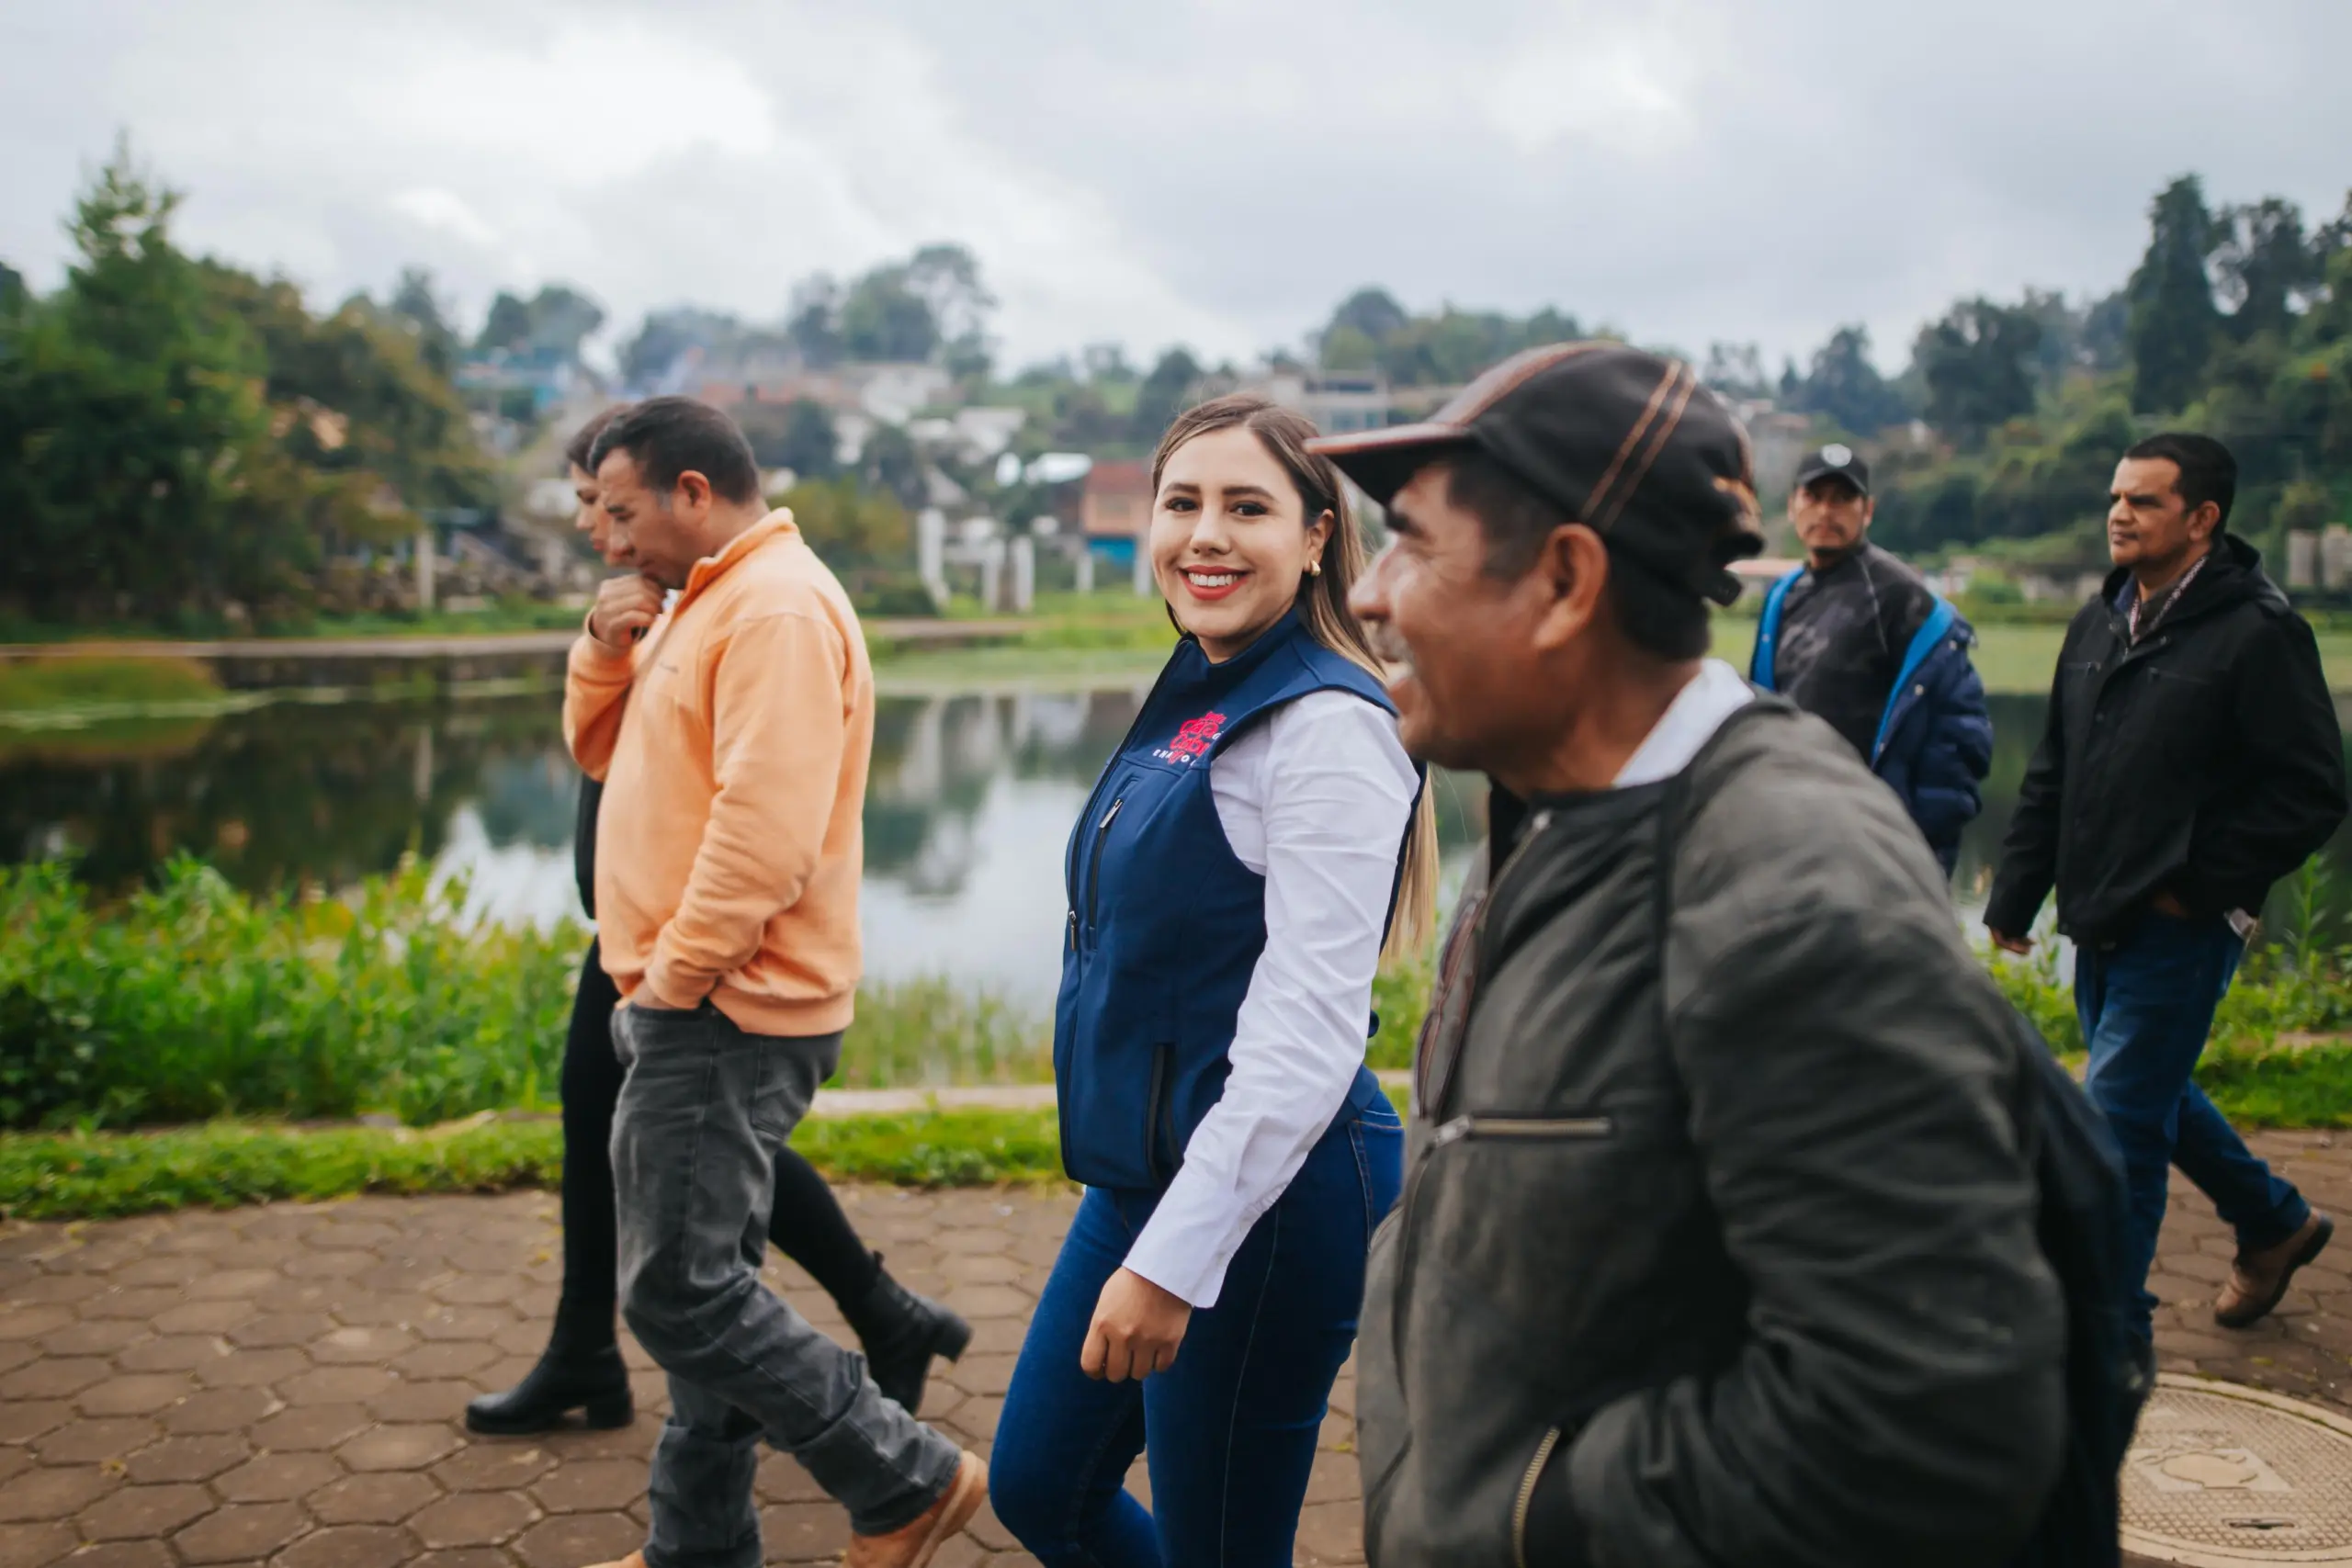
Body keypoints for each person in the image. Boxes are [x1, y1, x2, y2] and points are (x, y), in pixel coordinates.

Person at [1318, 343, 2068, 1566]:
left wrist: (1520, 1515)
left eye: (1410, 542)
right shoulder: (1553, 804)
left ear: (1565, 581)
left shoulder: (1789, 888)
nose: (1369, 592)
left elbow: (1931, 1420)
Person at [988, 395, 1436, 1568]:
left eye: (1248, 508)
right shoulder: (1202, 684)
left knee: (1221, 1550)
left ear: (1317, 536)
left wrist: (1175, 1262)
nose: (1206, 536)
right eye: (1181, 504)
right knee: (1040, 1485)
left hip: (1271, 1200)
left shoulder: (1330, 730)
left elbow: (1303, 1040)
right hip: (1153, 1176)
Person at [469, 408, 969, 1441]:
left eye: (615, 511)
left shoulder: (769, 609)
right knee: (698, 1252)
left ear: (691, 492)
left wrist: (670, 985)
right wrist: (602, 649)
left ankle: (901, 1471)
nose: (604, 538)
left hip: (703, 983)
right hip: (658, 961)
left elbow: (764, 832)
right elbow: (604, 756)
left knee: (684, 1290)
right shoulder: (697, 600)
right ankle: (694, 1528)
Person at [1986, 433, 2343, 1345]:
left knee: (2115, 1127)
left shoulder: (2257, 633)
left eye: (2143, 501)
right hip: (2100, 910)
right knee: (2141, 1087)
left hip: (2180, 926)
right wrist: (2016, 893)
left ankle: (2105, 1334)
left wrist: (2199, 884)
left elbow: (2309, 790)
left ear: (2202, 519)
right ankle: (2273, 1224)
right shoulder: (2101, 619)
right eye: (2115, 496)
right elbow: (2054, 773)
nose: (2118, 513)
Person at [1747, 443, 1992, 873]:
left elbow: (1958, 736)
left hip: (1873, 844)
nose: (1826, 511)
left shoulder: (1904, 599)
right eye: (1814, 497)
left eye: (1842, 499)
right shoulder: (1783, 596)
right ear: (1792, 507)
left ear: (1868, 510)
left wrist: (1918, 851)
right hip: (1790, 831)